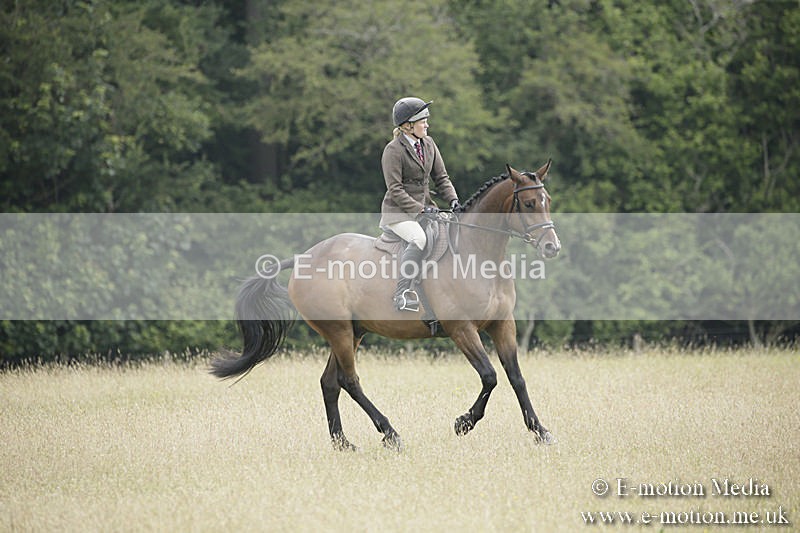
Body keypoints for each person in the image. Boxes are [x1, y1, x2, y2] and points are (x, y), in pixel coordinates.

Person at [379, 97, 462, 312]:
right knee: (419, 238)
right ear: (408, 126)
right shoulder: (393, 151)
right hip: (398, 214)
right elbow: (395, 189)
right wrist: (421, 209)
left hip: (426, 209)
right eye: (423, 121)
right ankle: (402, 294)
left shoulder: (429, 144)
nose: (427, 124)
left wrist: (453, 200)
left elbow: (441, 178)